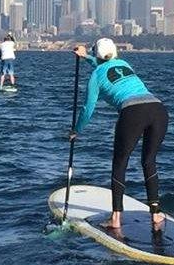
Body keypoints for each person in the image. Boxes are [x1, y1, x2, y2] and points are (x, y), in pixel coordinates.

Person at [70, 37, 167, 236]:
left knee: (120, 163)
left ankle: (115, 219)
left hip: (132, 112)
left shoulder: (96, 76)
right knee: (149, 162)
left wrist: (76, 130)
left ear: (96, 53)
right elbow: (103, 64)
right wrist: (85, 56)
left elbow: (88, 108)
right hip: (158, 109)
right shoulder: (124, 64)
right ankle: (156, 213)